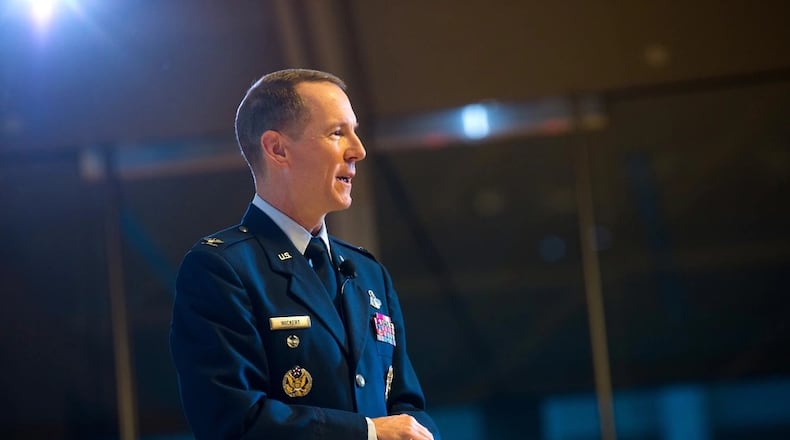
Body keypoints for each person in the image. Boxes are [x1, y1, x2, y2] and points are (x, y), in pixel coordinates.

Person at [170, 68, 440, 440]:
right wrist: (367, 434)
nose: (358, 150)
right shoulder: (221, 268)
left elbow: (407, 408)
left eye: (355, 132)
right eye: (337, 133)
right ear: (277, 149)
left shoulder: (367, 272)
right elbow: (233, 422)